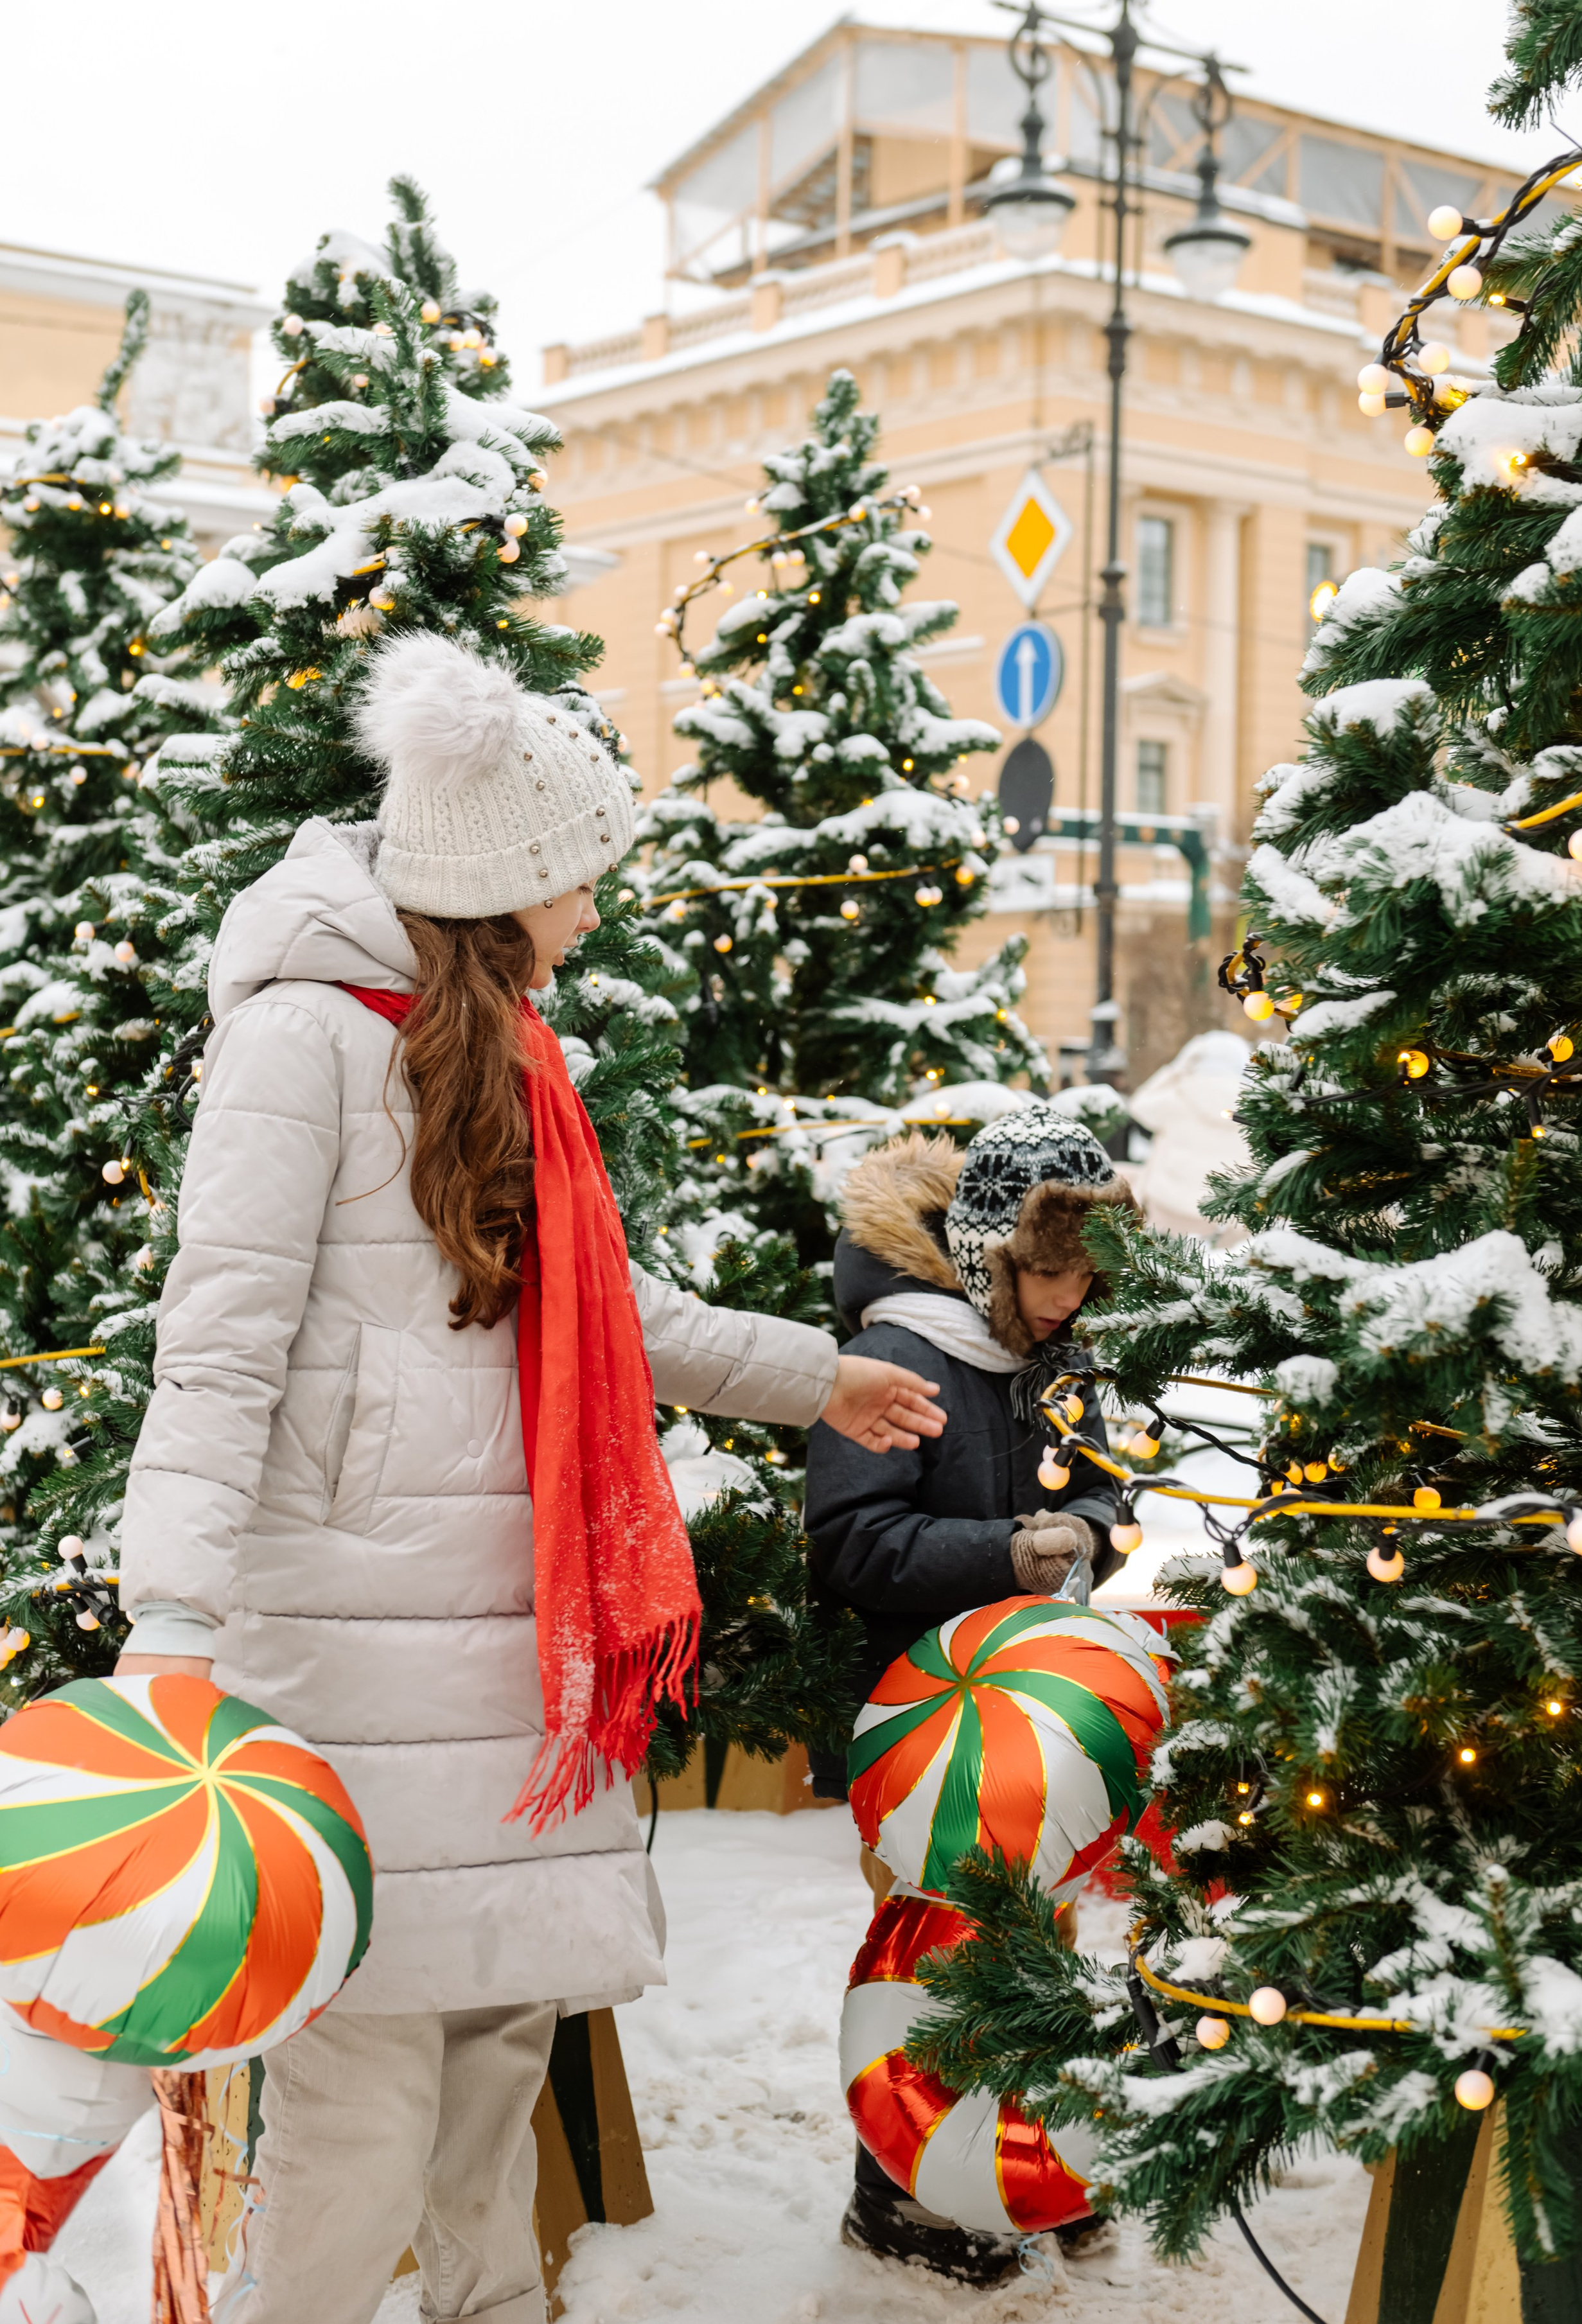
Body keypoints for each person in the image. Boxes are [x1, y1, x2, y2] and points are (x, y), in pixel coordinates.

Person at [114, 633, 943, 2324]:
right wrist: (173, 1612)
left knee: (499, 2058)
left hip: (516, 1642)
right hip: (350, 1642)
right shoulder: (302, 1042)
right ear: (503, 884)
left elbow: (603, 1308)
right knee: (365, 2096)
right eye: (577, 884)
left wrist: (817, 1375)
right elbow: (218, 1340)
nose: (592, 915)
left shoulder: (516, 1057)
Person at [804, 1109, 1132, 2284]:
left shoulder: (1059, 1354)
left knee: (1033, 1938)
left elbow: (1104, 1494)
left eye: (1088, 1271)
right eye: (1047, 1268)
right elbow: (851, 1540)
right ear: (994, 1253)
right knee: (930, 1954)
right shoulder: (907, 1353)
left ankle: (1016, 2168)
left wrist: (1087, 1533)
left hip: (1033, 1715)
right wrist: (1010, 1553)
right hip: (925, 1721)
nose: (1067, 1294)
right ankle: (896, 2194)